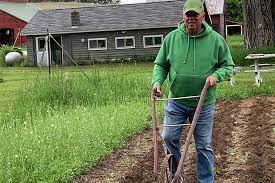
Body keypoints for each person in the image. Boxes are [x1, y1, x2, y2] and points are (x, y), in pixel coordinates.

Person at [151, 0, 235, 182]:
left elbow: (228, 66)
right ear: (183, 16)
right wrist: (157, 82)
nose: (191, 19)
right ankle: (175, 174)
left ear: (202, 16)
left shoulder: (216, 40)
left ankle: (206, 180)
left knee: (203, 145)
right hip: (177, 101)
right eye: (187, 15)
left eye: (194, 15)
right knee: (168, 137)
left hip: (203, 103)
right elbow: (160, 65)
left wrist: (216, 76)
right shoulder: (172, 38)